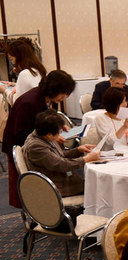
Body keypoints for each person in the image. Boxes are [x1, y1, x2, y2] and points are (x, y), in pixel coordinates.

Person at [2, 70, 76, 208]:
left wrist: (60, 125)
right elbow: (22, 133)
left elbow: (49, 117)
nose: (65, 97)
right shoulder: (29, 102)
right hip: (20, 144)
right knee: (27, 185)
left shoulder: (51, 98)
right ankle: (37, 213)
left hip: (40, 143)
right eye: (63, 93)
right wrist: (51, 137)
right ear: (53, 89)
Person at [23, 109, 99, 197]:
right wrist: (86, 159)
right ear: (49, 134)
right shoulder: (36, 147)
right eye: (60, 132)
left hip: (60, 177)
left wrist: (79, 150)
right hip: (56, 186)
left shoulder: (42, 135)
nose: (61, 134)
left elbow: (59, 155)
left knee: (96, 183)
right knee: (98, 187)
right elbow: (61, 165)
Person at [2, 39, 46, 104]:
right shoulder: (38, 69)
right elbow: (30, 87)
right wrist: (13, 84)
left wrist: (4, 90)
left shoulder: (25, 73)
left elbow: (16, 101)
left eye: (12, 59)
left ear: (19, 57)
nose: (13, 63)